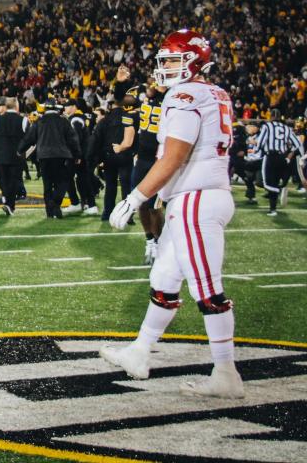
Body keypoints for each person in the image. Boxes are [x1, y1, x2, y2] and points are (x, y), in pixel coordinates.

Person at [102, 29, 244, 399]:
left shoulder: (183, 96)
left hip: (197, 199)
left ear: (193, 60)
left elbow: (174, 156)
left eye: (171, 60)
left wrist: (136, 197)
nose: (164, 67)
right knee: (164, 275)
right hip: (197, 195)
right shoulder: (214, 92)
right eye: (162, 60)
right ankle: (139, 351)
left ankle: (226, 372)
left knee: (207, 289)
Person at [19, 102, 80, 218]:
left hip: (44, 156)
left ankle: (50, 211)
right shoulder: (63, 121)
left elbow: (29, 138)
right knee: (62, 181)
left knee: (47, 184)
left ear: (45, 109)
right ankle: (56, 203)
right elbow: (73, 139)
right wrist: (77, 155)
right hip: (61, 156)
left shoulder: (39, 122)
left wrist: (20, 150)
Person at [131, 83, 167, 262]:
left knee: (155, 206)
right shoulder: (143, 96)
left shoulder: (170, 100)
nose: (153, 84)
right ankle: (150, 240)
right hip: (143, 158)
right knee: (141, 203)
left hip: (158, 159)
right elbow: (124, 102)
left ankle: (160, 243)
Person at [92, 94, 137, 221]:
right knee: (126, 186)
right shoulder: (130, 117)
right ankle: (128, 216)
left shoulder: (105, 120)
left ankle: (107, 213)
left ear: (111, 105)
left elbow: (97, 140)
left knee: (110, 186)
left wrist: (97, 159)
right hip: (125, 155)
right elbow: (135, 137)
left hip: (109, 157)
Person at [256, 115, 304, 216]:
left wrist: (257, 151)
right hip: (282, 158)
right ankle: (273, 209)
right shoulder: (286, 128)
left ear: (272, 117)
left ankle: (277, 193)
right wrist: (292, 157)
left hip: (270, 157)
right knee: (273, 183)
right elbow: (298, 144)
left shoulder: (267, 126)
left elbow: (260, 142)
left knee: (263, 181)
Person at [0, 97, 28, 215]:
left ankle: (8, 204)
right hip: (17, 156)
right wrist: (23, 152)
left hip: (1, 156)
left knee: (5, 181)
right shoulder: (23, 120)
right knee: (14, 181)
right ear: (16, 106)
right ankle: (10, 205)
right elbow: (29, 139)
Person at [64, 99, 97, 214]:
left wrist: (76, 155)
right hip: (83, 153)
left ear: (73, 106)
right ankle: (89, 204)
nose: (65, 108)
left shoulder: (75, 119)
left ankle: (76, 203)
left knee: (68, 178)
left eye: (67, 106)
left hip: (78, 155)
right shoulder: (79, 117)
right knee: (83, 179)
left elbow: (76, 139)